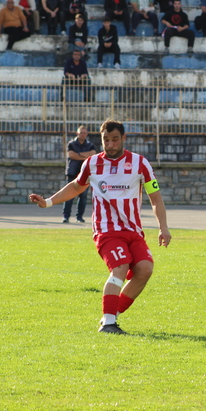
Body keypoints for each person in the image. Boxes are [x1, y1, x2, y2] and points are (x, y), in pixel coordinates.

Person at [29, 119, 172, 335]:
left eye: (115, 139)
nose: (110, 144)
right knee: (121, 267)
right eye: (106, 140)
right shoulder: (93, 163)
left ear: (123, 138)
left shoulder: (140, 164)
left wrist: (163, 227)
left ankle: (111, 315)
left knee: (145, 270)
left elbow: (155, 198)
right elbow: (77, 186)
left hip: (133, 231)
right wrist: (48, 201)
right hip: (106, 231)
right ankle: (108, 323)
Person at [62, 125, 97, 224]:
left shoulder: (90, 145)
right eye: (81, 132)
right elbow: (71, 155)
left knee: (83, 197)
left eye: (85, 133)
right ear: (77, 133)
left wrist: (79, 155)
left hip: (85, 174)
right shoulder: (71, 144)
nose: (83, 134)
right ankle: (66, 216)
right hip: (72, 173)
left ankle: (79, 217)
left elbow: (93, 154)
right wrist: (85, 156)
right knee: (68, 196)